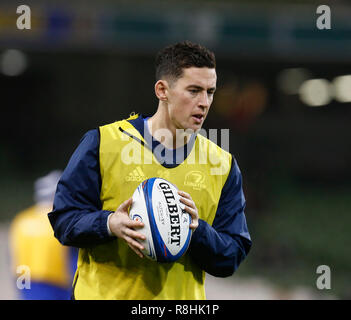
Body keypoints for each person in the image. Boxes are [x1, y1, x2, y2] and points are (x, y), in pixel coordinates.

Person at [48, 41, 252, 300]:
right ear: (162, 90)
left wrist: (197, 231)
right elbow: (64, 220)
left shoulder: (223, 165)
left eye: (210, 92)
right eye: (194, 90)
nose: (204, 102)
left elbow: (232, 255)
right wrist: (109, 224)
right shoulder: (103, 143)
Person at [9, 170, 78, 300]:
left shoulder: (21, 219)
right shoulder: (60, 219)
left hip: (25, 280)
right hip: (56, 281)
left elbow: (14, 255)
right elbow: (72, 256)